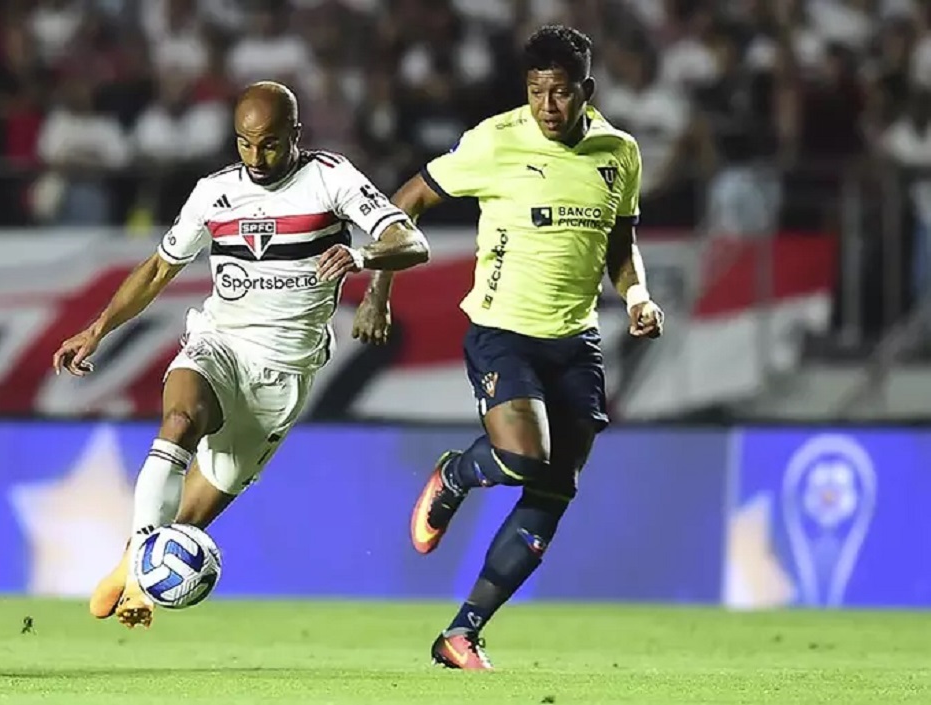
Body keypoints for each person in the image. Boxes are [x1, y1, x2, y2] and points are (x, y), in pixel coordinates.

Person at [52, 81, 429, 629]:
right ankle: (138, 579)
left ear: (295, 134)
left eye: (270, 144)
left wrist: (362, 254)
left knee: (188, 521)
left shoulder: (331, 178)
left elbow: (412, 242)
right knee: (180, 419)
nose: (256, 157)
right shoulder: (214, 193)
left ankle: (132, 561)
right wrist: (97, 330)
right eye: (245, 143)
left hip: (283, 372)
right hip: (219, 341)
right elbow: (158, 269)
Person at [352, 25, 665, 670]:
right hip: (503, 332)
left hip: (577, 341)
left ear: (587, 91)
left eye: (561, 92)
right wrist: (378, 293)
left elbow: (621, 242)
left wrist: (637, 296)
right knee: (523, 457)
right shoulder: (495, 141)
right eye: (536, 91)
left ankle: (462, 634)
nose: (548, 106)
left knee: (555, 489)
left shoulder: (619, 153)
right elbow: (404, 203)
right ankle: (455, 475)